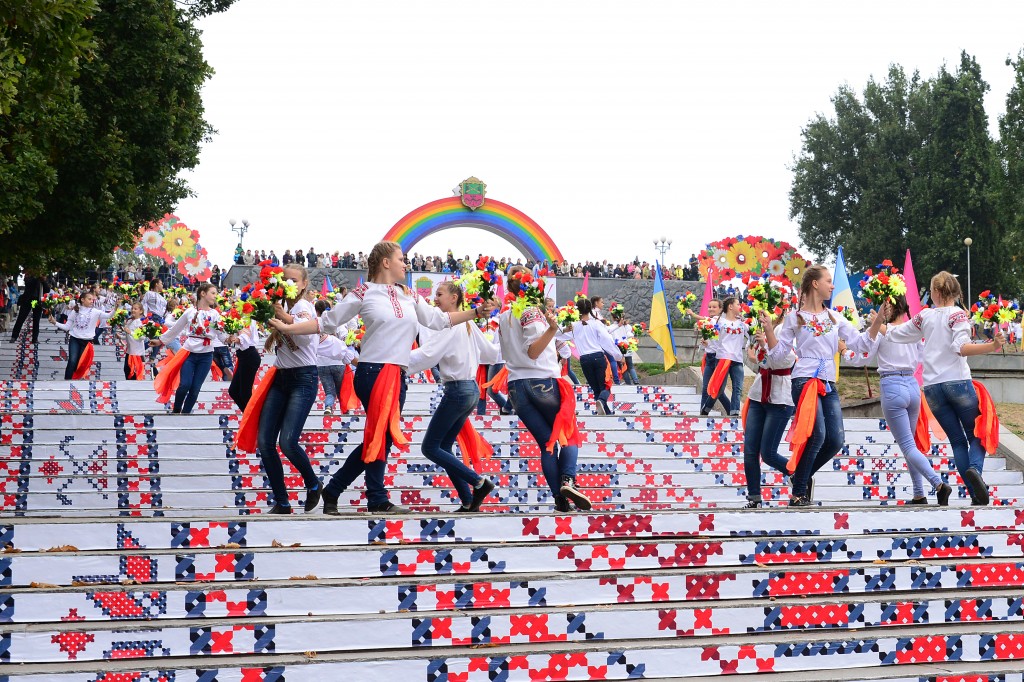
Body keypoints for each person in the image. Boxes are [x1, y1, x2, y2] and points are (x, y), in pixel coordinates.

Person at [269, 241, 491, 515]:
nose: (405, 264)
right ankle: (374, 496)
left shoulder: (409, 296)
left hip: (398, 374)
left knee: (380, 437)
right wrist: (288, 326)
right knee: (379, 435)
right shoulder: (363, 293)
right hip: (373, 372)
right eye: (401, 259)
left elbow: (439, 320)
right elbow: (324, 322)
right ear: (386, 262)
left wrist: (477, 313)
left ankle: (336, 489)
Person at [764, 264, 882, 506]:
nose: (832, 285)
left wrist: (878, 320)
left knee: (835, 439)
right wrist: (768, 330)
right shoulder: (794, 318)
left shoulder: (835, 317)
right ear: (815, 284)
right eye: (828, 280)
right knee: (817, 434)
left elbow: (860, 344)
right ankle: (798, 493)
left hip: (828, 381)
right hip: (804, 379)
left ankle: (800, 476)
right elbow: (777, 356)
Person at [886, 271, 1005, 506]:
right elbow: (961, 347)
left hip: (932, 388)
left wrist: (879, 322)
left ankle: (974, 494)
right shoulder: (958, 315)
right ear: (954, 292)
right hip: (958, 382)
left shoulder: (925, 316)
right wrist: (991, 345)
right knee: (977, 434)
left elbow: (897, 334)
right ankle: (975, 470)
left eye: (931, 291)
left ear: (937, 292)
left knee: (958, 442)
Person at [844, 295, 952, 505]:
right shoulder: (913, 331)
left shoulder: (883, 332)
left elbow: (862, 357)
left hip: (892, 385)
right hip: (912, 386)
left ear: (889, 307)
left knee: (907, 446)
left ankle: (939, 484)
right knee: (910, 445)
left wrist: (843, 350)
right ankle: (919, 493)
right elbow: (923, 356)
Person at [499, 266, 591, 512]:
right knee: (568, 435)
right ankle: (568, 480)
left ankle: (560, 500)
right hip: (542, 381)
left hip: (516, 387)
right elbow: (534, 351)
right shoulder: (531, 311)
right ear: (534, 286)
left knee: (547, 444)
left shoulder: (505, 314)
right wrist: (551, 329)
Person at [408, 281, 499, 512]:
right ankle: (468, 500)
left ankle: (479, 482)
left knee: (429, 447)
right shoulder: (467, 323)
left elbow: (428, 355)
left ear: (455, 298)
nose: (435, 299)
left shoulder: (452, 325)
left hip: (458, 390)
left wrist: (395, 363)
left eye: (439, 294)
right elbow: (490, 353)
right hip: (470, 389)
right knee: (444, 447)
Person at [245, 263, 323, 515]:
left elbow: (306, 334)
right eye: (283, 280)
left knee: (288, 442)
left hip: (304, 378)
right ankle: (282, 501)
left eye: (293, 280)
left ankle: (313, 483)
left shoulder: (304, 306)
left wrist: (282, 317)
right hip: (280, 377)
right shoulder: (282, 305)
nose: (287, 284)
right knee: (265, 441)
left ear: (303, 285)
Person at [742, 320, 795, 508]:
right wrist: (758, 349)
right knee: (750, 451)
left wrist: (766, 343)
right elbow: (763, 362)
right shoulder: (764, 331)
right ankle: (754, 497)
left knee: (768, 453)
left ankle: (799, 475)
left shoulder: (793, 331)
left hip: (781, 398)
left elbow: (786, 360)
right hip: (759, 395)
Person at [151, 283, 224, 414]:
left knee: (195, 388)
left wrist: (231, 339)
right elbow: (175, 329)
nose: (215, 296)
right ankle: (176, 410)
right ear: (203, 293)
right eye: (213, 293)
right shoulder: (190, 312)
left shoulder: (215, 314)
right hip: (189, 353)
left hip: (206, 356)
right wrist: (160, 340)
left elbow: (221, 334)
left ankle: (185, 414)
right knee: (185, 384)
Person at [571, 297, 623, 416]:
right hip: (598, 357)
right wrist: (618, 356)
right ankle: (602, 401)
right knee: (606, 385)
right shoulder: (596, 323)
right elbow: (607, 340)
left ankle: (606, 412)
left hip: (584, 359)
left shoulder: (574, 326)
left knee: (596, 388)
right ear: (590, 309)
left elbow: (560, 334)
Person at [49, 291, 112, 380]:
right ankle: (66, 381)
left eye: (92, 299)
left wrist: (116, 307)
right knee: (72, 360)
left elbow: (108, 316)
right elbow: (67, 327)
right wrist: (55, 322)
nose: (91, 301)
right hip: (74, 339)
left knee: (80, 362)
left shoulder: (95, 312)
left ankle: (75, 380)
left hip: (87, 341)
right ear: (82, 300)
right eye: (89, 299)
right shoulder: (75, 311)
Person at [704, 297, 747, 416]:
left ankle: (734, 414)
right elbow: (713, 338)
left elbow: (753, 335)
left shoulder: (743, 323)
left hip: (737, 359)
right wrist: (708, 344)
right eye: (738, 304)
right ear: (730, 306)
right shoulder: (719, 322)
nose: (740, 307)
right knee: (719, 388)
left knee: (737, 388)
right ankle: (705, 409)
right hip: (723, 359)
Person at [314, 299, 358, 416]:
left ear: (316, 311)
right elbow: (346, 337)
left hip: (321, 363)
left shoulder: (312, 324)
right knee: (341, 389)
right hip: (338, 361)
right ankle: (345, 410)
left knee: (329, 391)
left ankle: (328, 406)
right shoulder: (337, 323)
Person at [228, 319, 262, 411]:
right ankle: (249, 417)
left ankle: (254, 418)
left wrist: (238, 339)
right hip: (243, 356)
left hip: (249, 355)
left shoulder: (247, 315)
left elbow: (246, 333)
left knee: (244, 393)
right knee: (233, 391)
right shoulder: (237, 316)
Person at [697, 299, 723, 415]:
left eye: (714, 307)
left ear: (721, 309)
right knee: (707, 388)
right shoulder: (708, 322)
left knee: (714, 389)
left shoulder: (721, 322)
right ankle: (702, 413)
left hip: (718, 359)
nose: (711, 309)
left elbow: (722, 343)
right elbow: (709, 343)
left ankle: (703, 413)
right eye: (709, 307)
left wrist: (692, 314)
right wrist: (705, 343)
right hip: (709, 357)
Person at [10, 271, 49, 344]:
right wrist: (37, 278)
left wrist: (43, 281)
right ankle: (14, 336)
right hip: (28, 300)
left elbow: (47, 290)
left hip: (38, 301)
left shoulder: (42, 280)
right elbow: (28, 283)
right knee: (21, 318)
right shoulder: (30, 277)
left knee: (36, 321)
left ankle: (35, 339)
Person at [123, 302, 147, 380]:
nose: (133, 310)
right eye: (132, 308)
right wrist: (121, 337)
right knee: (127, 371)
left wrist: (130, 332)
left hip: (137, 354)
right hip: (129, 352)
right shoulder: (130, 321)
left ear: (141, 311)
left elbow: (143, 337)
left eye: (135, 309)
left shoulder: (141, 322)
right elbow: (129, 336)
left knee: (134, 374)